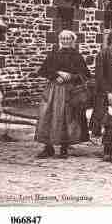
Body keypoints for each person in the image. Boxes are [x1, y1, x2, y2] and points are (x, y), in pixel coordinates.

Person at [35, 30, 91, 159]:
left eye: (68, 38)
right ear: (60, 40)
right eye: (63, 38)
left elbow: (85, 74)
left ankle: (64, 148)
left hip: (70, 92)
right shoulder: (53, 54)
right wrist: (57, 74)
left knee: (67, 117)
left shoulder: (77, 56)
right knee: (48, 116)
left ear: (72, 40)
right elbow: (43, 70)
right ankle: (48, 148)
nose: (65, 41)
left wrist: (70, 76)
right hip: (53, 90)